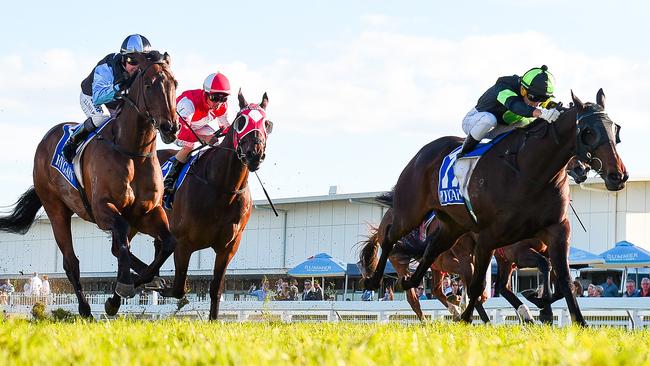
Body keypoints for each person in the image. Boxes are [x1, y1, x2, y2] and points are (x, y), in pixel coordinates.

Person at [63, 34, 153, 162]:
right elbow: (98, 97)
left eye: (141, 61)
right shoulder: (107, 67)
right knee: (103, 116)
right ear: (123, 58)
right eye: (132, 61)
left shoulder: (141, 72)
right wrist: (119, 88)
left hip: (116, 104)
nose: (137, 66)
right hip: (92, 97)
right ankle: (74, 140)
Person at [458, 65, 560, 158]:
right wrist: (541, 113)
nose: (537, 103)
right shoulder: (504, 86)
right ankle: (465, 151)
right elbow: (515, 106)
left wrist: (557, 111)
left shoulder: (533, 95)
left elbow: (549, 106)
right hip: (474, 123)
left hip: (500, 128)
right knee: (489, 120)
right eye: (535, 98)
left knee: (531, 123)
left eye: (542, 99)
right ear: (523, 90)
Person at [163, 72, 232, 197]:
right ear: (206, 93)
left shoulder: (222, 106)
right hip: (176, 128)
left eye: (223, 98)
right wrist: (205, 138)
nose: (219, 103)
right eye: (215, 98)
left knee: (217, 144)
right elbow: (183, 132)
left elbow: (226, 127)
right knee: (189, 146)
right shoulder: (188, 103)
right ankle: (170, 179)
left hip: (197, 126)